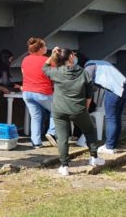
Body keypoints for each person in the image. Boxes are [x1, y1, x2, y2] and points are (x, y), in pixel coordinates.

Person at [43, 47, 105, 176]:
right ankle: (94, 158)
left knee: (62, 138)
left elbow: (45, 67)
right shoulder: (83, 73)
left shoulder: (56, 72)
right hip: (78, 109)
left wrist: (53, 54)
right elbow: (89, 94)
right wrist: (85, 109)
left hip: (59, 109)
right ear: (71, 57)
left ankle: (64, 166)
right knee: (89, 130)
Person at [84, 60, 126, 154]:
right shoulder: (100, 63)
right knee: (116, 118)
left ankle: (109, 147)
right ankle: (113, 144)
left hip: (114, 90)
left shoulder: (89, 65)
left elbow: (86, 83)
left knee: (110, 118)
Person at [21, 37, 57, 148]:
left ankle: (36, 142)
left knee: (36, 117)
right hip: (42, 92)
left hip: (27, 92)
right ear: (40, 49)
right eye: (45, 46)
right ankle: (51, 132)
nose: (46, 48)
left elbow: (24, 74)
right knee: (58, 110)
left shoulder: (25, 59)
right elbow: (55, 76)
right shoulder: (46, 60)